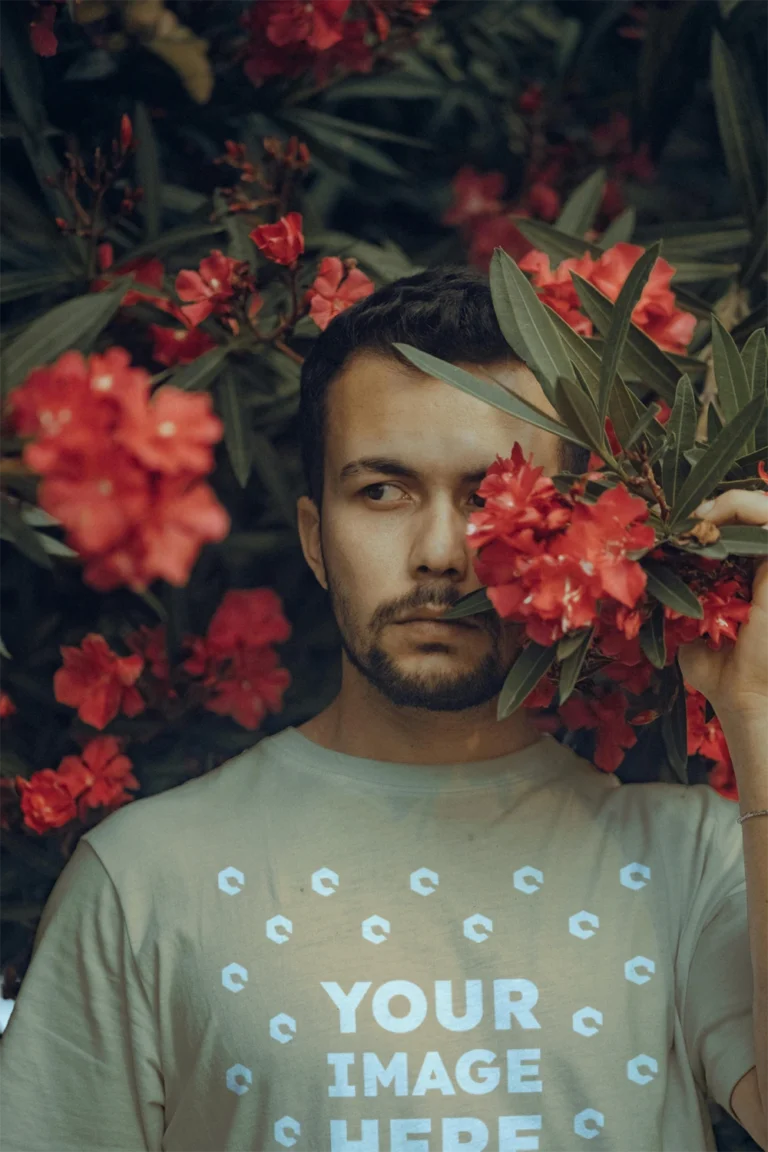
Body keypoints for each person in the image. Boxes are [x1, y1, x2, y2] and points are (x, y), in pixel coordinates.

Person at [0, 266, 759, 1151]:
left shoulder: (695, 863)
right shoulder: (142, 882)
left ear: (576, 532)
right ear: (316, 539)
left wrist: (759, 708)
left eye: (489, 497)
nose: (440, 553)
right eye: (382, 492)